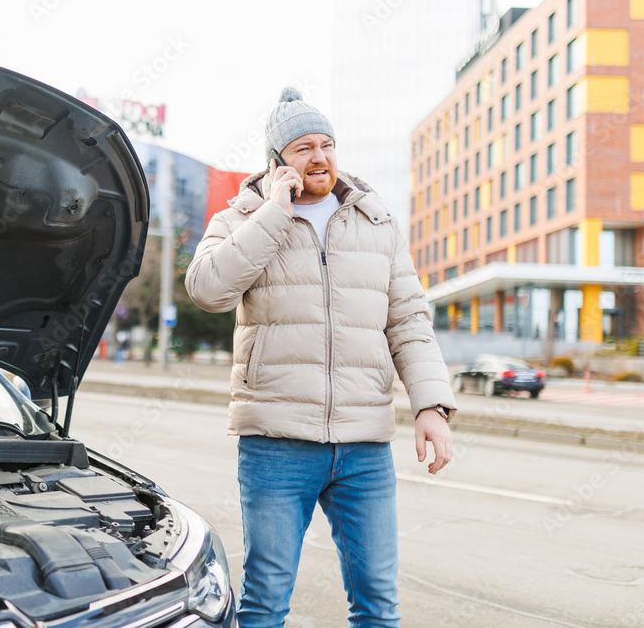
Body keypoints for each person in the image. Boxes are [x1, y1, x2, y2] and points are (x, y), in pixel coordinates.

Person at [186, 88, 456, 627]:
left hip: (364, 447)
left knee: (378, 601)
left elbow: (408, 322)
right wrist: (273, 213)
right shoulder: (241, 217)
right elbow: (207, 290)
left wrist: (432, 407)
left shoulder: (375, 222)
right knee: (266, 600)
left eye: (327, 144)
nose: (319, 157)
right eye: (303, 147)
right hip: (277, 445)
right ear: (276, 162)